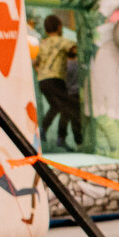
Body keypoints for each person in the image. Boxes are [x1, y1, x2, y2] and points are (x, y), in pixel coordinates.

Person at [34, 14, 81, 148]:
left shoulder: (43, 43)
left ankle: (45, 130)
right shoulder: (62, 41)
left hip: (42, 81)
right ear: (59, 27)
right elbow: (75, 50)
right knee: (68, 106)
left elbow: (35, 62)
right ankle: (60, 137)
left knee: (56, 106)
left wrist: (41, 72)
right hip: (56, 79)